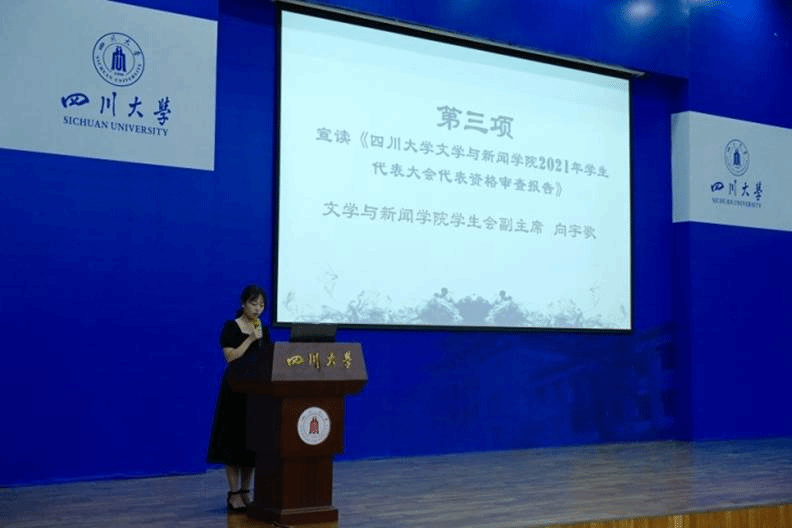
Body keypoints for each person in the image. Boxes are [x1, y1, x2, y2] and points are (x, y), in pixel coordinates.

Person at [207, 284, 270, 513]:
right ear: (243, 304)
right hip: (234, 389)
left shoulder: (263, 329)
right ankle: (233, 493)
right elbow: (230, 356)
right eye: (253, 303)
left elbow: (266, 357)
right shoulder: (231, 327)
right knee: (232, 442)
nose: (257, 309)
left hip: (255, 390)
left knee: (250, 443)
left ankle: (245, 491)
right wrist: (250, 339)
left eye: (261, 305)